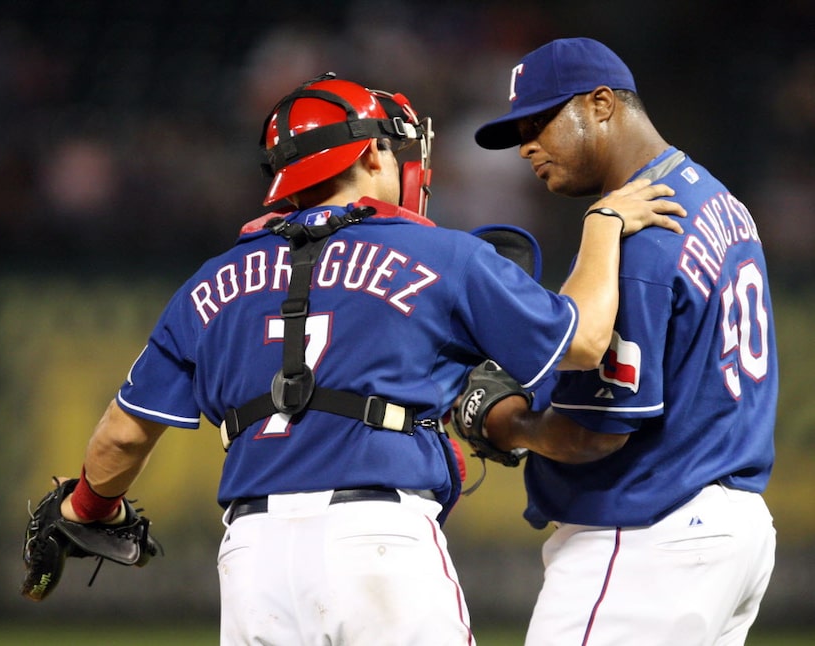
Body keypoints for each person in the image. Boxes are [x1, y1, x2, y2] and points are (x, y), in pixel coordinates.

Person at [52, 72, 683, 645]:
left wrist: (87, 508)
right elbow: (584, 343)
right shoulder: (441, 256)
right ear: (373, 151)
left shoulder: (208, 284)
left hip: (250, 560)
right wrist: (602, 224)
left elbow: (120, 439)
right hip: (378, 546)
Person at [473, 37, 778, 645]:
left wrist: (507, 423)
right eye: (519, 131)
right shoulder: (717, 199)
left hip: (648, 538)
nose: (528, 144)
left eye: (541, 121)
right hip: (734, 532)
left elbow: (594, 435)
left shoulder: (640, 235)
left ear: (603, 103)